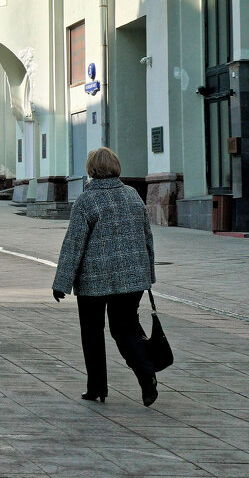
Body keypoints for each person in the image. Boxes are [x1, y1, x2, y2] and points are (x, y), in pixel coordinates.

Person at [53, 147, 158, 407]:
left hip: (94, 280)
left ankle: (97, 387)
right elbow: (147, 237)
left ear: (91, 169)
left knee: (92, 333)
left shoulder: (86, 201)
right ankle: (147, 376)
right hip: (132, 278)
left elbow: (73, 245)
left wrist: (61, 283)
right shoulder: (132, 195)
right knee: (126, 328)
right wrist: (147, 274)